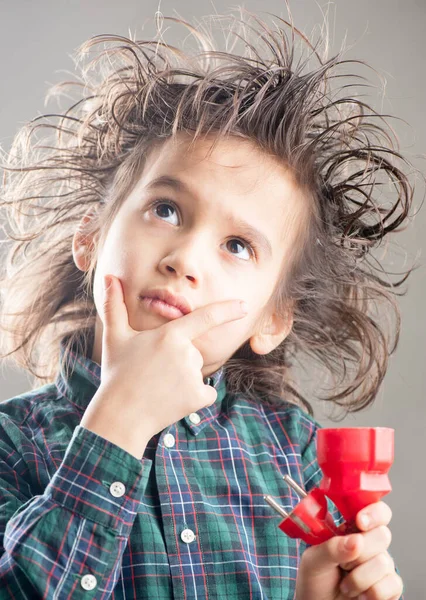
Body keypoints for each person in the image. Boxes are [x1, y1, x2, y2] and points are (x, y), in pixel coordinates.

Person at [0, 6, 413, 599]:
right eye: (165, 210)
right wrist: (119, 422)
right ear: (91, 237)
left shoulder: (294, 458)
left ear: (272, 318)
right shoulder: (13, 443)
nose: (186, 259)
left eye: (238, 246)